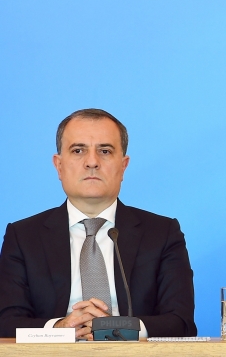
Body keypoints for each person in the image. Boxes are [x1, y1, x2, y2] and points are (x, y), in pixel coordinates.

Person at [0, 109, 196, 339]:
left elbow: (181, 322)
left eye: (105, 151)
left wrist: (118, 329)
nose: (92, 162)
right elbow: (6, 323)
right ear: (59, 166)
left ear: (123, 166)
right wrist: (60, 329)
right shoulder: (23, 237)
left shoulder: (162, 233)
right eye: (78, 150)